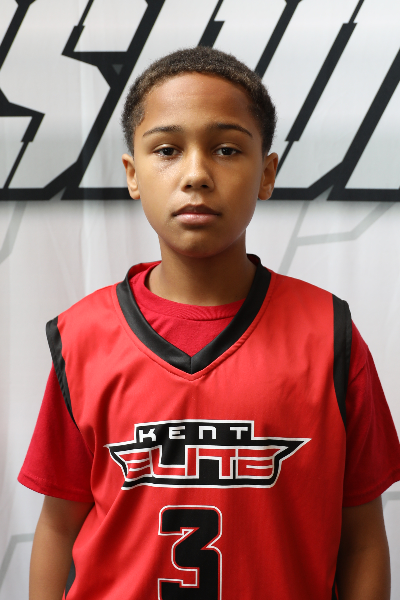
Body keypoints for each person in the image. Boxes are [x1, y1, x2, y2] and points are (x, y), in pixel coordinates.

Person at [20, 47, 400, 600]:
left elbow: (362, 538)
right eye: (167, 150)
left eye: (226, 149)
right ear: (133, 174)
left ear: (266, 173)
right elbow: (58, 526)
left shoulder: (330, 335)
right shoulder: (81, 337)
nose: (196, 174)